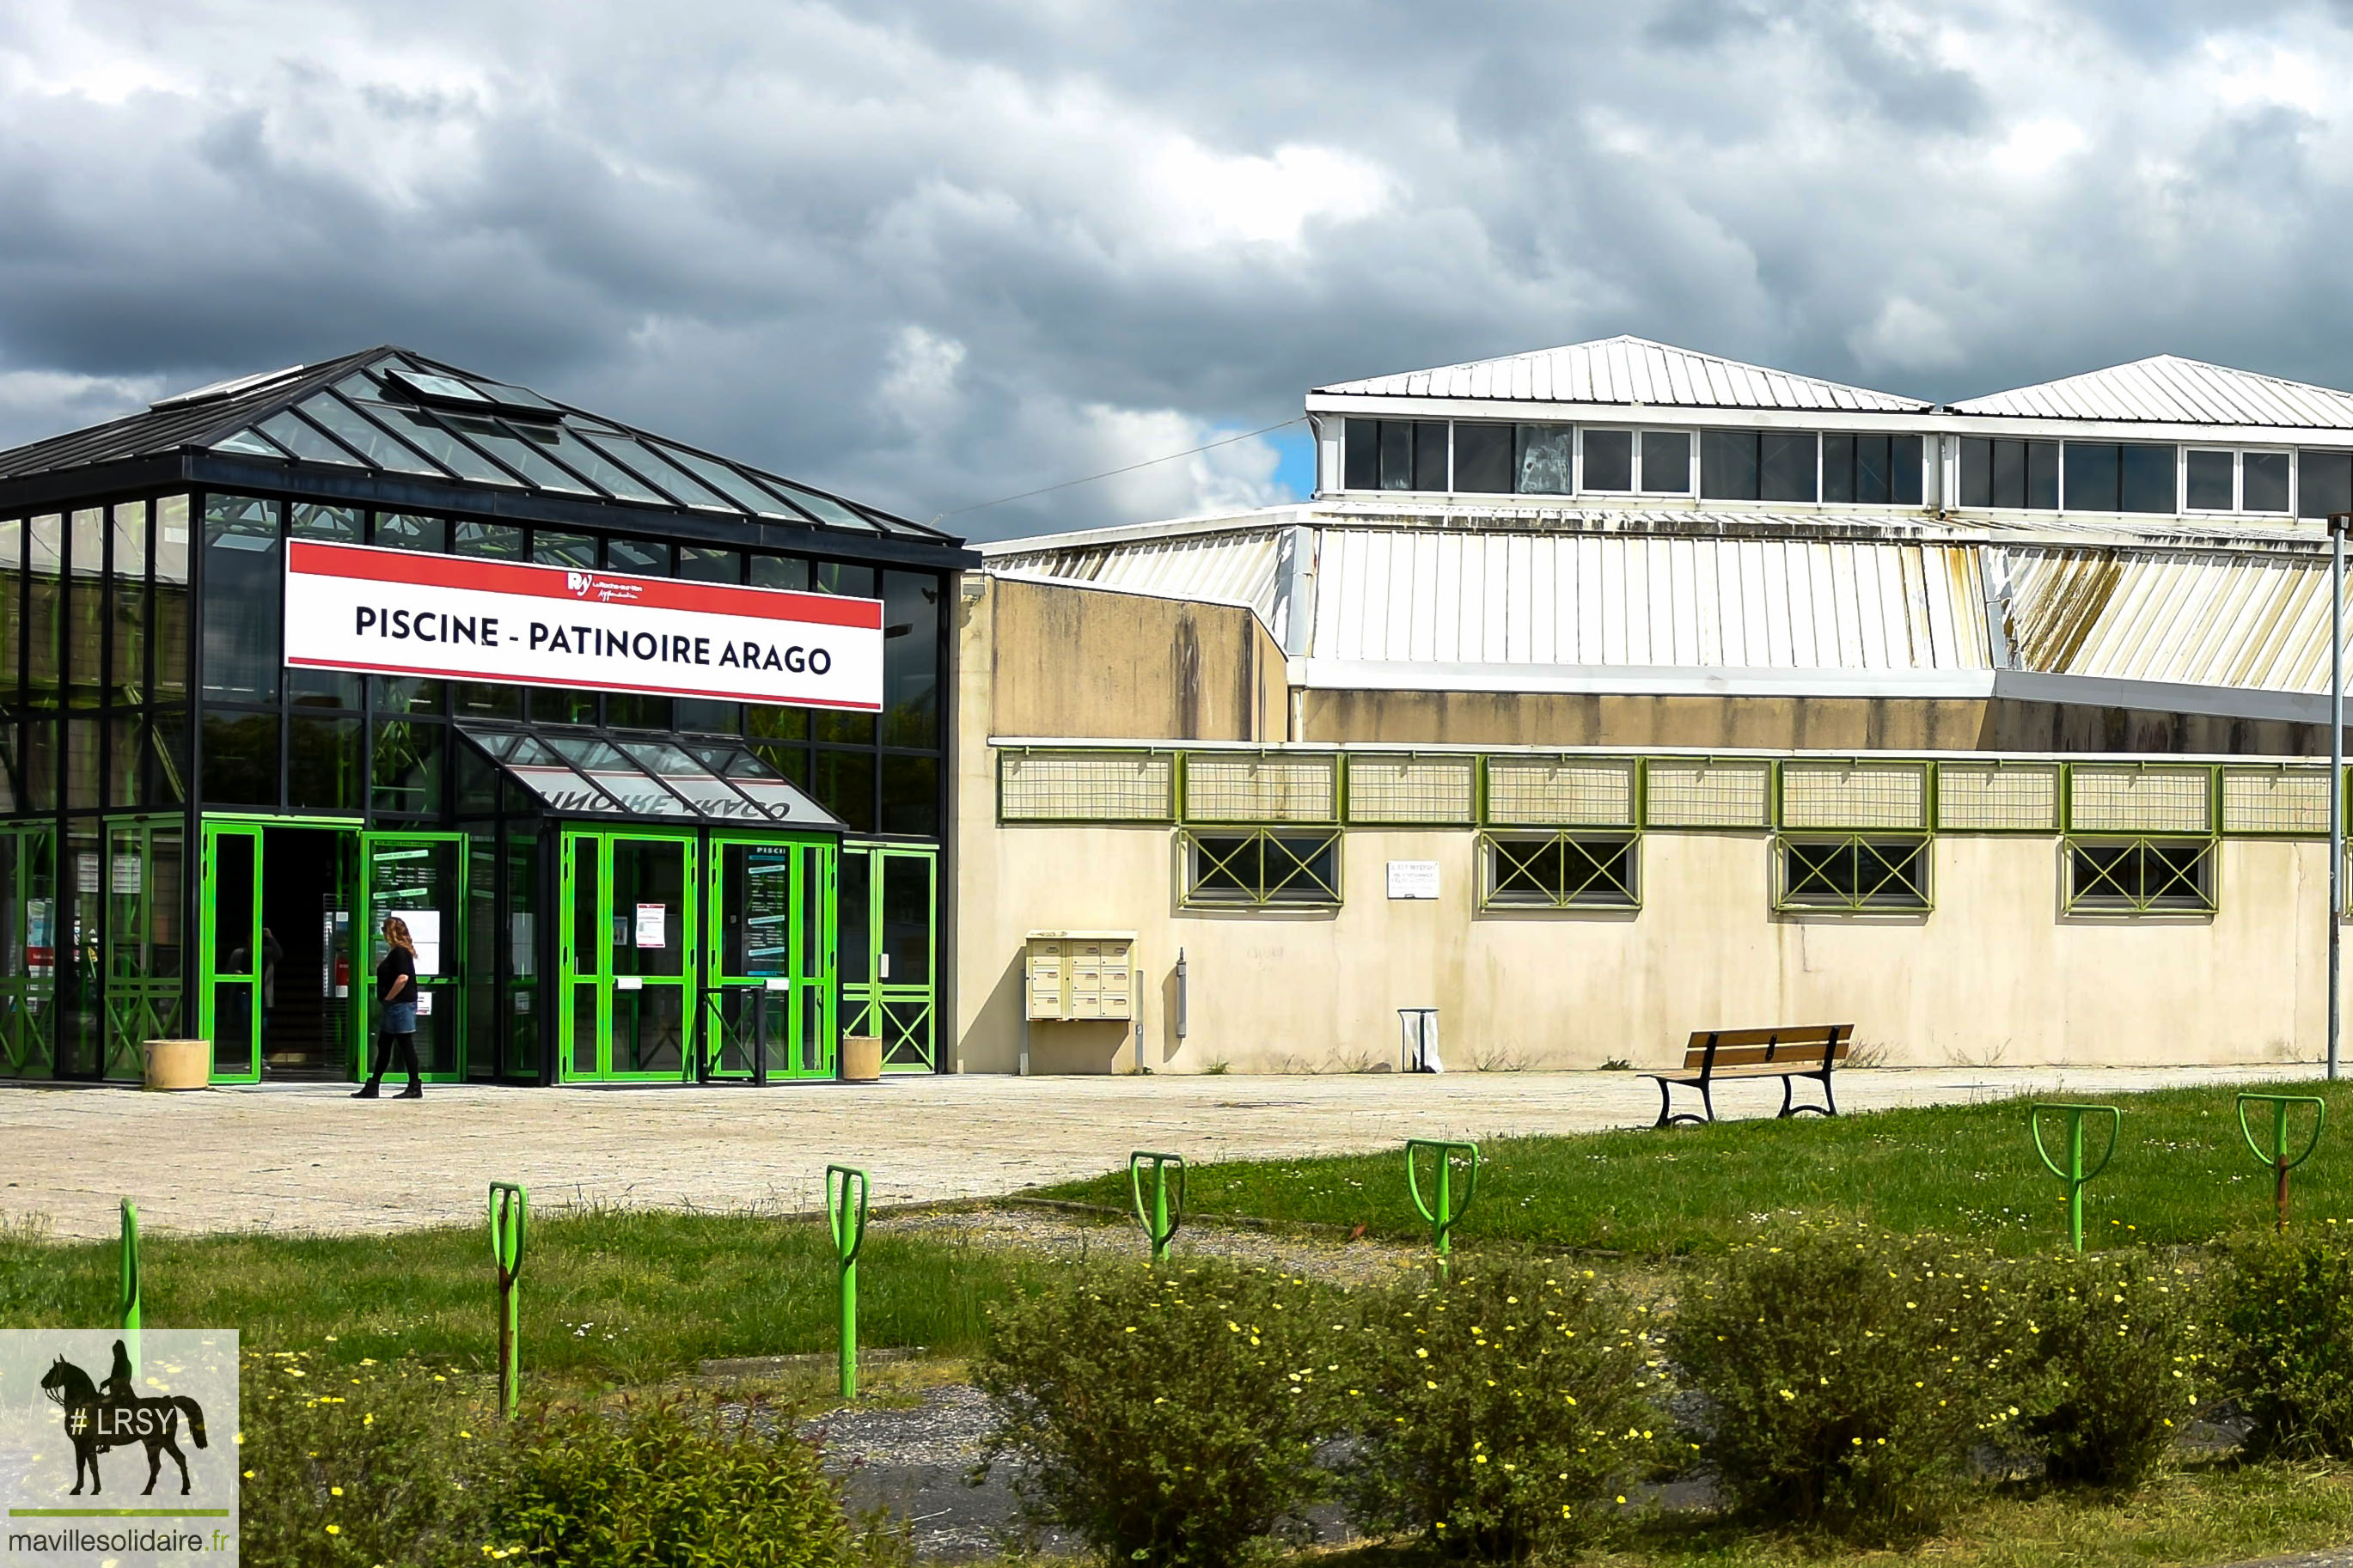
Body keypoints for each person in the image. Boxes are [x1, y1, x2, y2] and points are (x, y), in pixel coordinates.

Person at [352, 916, 422, 1100]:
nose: (382, 933)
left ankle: (415, 1085)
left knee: (405, 1044)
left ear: (391, 932)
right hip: (395, 1006)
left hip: (399, 1005)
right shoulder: (397, 951)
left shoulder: (400, 952)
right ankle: (373, 1085)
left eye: (384, 929)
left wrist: (389, 998)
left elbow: (403, 978)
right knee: (384, 1045)